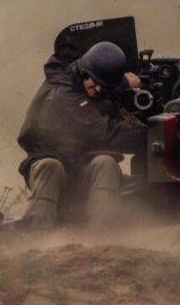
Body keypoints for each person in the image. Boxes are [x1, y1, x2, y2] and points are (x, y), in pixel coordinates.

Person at [16, 41, 146, 228]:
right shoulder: (61, 94)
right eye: (96, 84)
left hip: (80, 168)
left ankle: (101, 237)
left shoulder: (84, 82)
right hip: (49, 170)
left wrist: (123, 84)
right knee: (50, 166)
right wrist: (153, 135)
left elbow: (94, 94)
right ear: (84, 73)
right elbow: (105, 132)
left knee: (105, 163)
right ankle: (38, 237)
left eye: (104, 87)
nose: (98, 91)